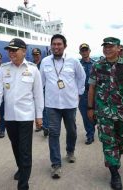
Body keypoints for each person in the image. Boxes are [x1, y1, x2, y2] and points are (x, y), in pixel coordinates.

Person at [0, 38, 44, 190]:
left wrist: (39, 116)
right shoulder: (3, 68)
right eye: (9, 50)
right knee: (15, 146)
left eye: (14, 50)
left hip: (26, 116)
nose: (11, 53)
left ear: (23, 51)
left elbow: (38, 95)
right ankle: (21, 169)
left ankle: (23, 185)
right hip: (9, 116)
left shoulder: (33, 69)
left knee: (25, 150)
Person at [88, 37, 123, 190]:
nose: (107, 49)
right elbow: (91, 88)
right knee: (109, 143)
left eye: (111, 47)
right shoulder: (97, 66)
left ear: (118, 48)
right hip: (104, 113)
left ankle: (115, 159)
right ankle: (114, 173)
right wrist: (90, 108)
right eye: (105, 47)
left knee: (122, 142)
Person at [40, 34, 86, 179]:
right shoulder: (45, 62)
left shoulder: (73, 61)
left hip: (70, 103)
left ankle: (70, 151)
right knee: (54, 133)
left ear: (64, 46)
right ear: (51, 46)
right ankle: (56, 164)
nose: (56, 47)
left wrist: (79, 93)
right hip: (52, 104)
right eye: (54, 44)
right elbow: (40, 82)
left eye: (59, 44)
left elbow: (82, 77)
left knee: (71, 130)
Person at [78, 43, 96, 144]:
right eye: (82, 50)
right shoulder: (78, 65)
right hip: (84, 93)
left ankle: (93, 127)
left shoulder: (96, 64)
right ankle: (90, 134)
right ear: (80, 52)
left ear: (89, 51)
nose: (84, 52)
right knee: (86, 115)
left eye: (86, 50)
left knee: (95, 114)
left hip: (96, 92)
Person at [32, 48, 49, 136]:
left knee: (43, 108)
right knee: (35, 107)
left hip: (43, 89)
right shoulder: (31, 65)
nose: (36, 56)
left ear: (40, 55)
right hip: (33, 90)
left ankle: (46, 126)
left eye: (37, 54)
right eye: (34, 55)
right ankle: (39, 125)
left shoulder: (44, 64)